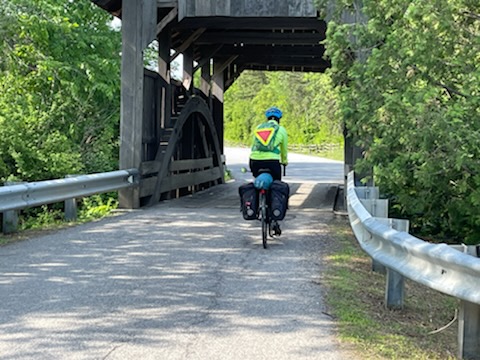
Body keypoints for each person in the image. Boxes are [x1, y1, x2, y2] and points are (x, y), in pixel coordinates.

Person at [249, 106, 288, 180]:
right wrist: (284, 161)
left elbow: (254, 144)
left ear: (267, 118)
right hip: (272, 161)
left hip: (254, 160)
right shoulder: (281, 129)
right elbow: (284, 149)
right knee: (276, 183)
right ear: (279, 119)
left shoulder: (258, 127)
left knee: (256, 179)